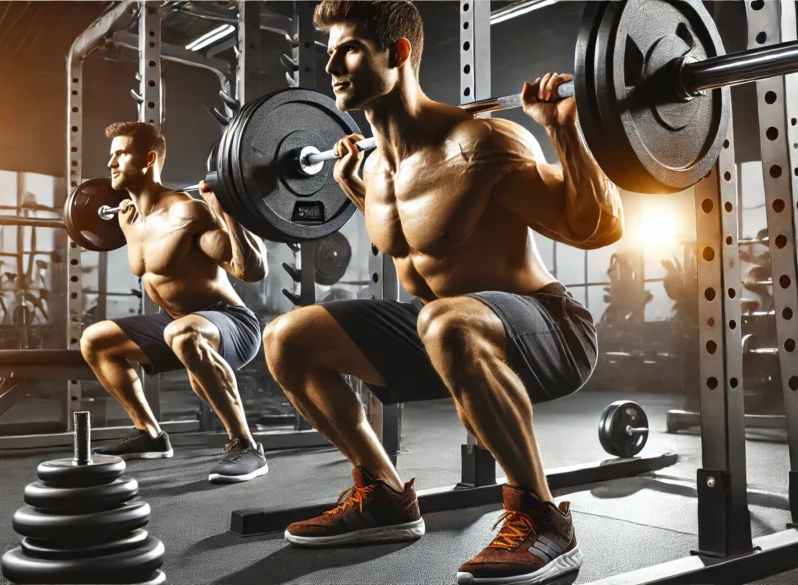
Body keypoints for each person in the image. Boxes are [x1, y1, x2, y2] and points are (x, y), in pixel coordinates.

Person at [261, 1, 624, 583]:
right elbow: (420, 250)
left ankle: (542, 517)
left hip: (549, 331)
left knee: (447, 321)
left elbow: (595, 229)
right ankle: (382, 496)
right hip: (445, 333)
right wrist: (357, 195)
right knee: (287, 338)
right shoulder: (376, 170)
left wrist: (566, 132)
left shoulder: (479, 142)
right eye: (327, 52)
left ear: (398, 53)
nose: (331, 65)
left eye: (349, 47)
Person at [80, 121, 270, 484]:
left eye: (120, 154)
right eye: (111, 155)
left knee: (184, 335)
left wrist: (227, 211)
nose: (111, 163)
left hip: (230, 323)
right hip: (177, 323)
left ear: (149, 159)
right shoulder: (130, 221)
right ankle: (149, 435)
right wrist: (124, 228)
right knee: (96, 340)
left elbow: (251, 272)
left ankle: (246, 446)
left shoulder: (189, 213)